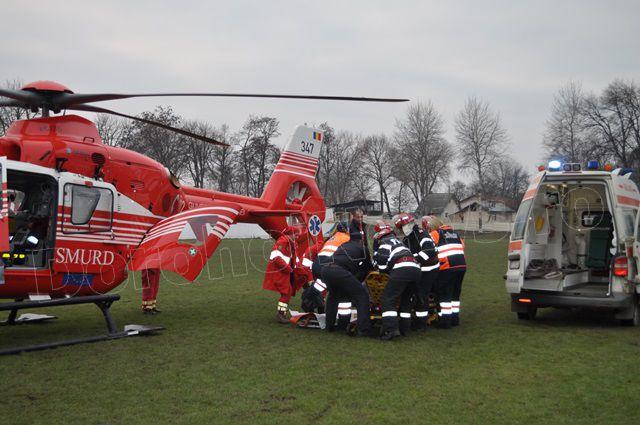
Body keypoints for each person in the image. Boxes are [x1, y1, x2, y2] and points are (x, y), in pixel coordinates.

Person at [373, 220, 421, 340]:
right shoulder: (399, 243)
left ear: (380, 236)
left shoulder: (385, 242)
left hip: (402, 268)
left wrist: (383, 267)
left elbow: (382, 267)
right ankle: (404, 328)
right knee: (406, 300)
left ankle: (391, 330)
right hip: (415, 269)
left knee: (387, 300)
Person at [320, 228, 372, 336]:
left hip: (325, 270)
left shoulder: (343, 245)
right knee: (362, 295)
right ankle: (363, 329)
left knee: (333, 296)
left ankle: (329, 326)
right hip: (339, 271)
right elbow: (368, 267)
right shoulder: (362, 248)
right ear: (361, 240)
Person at [394, 213, 439, 330]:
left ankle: (421, 324)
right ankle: (411, 322)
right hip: (417, 271)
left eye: (401, 228)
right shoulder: (408, 238)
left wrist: (414, 260)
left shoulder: (421, 234)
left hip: (429, 270)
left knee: (421, 296)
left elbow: (429, 251)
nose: (401, 231)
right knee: (413, 295)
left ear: (406, 226)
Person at [426, 216, 466, 329]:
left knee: (445, 295)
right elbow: (463, 246)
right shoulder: (455, 233)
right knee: (455, 294)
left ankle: (445, 322)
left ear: (431, 226)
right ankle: (455, 319)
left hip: (447, 267)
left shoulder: (435, 234)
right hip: (461, 266)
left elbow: (428, 249)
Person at [262, 225, 303, 323]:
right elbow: (276, 257)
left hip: (284, 272)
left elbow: (292, 258)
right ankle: (280, 314)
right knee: (286, 292)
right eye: (296, 235)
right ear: (291, 234)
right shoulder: (283, 242)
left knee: (287, 292)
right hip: (280, 272)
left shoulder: (289, 243)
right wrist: (288, 269)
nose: (297, 237)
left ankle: (281, 313)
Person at [349, 208, 372, 280]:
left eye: (361, 217)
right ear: (353, 217)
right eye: (358, 217)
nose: (360, 219)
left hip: (364, 250)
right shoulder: (351, 227)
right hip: (355, 252)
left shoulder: (364, 226)